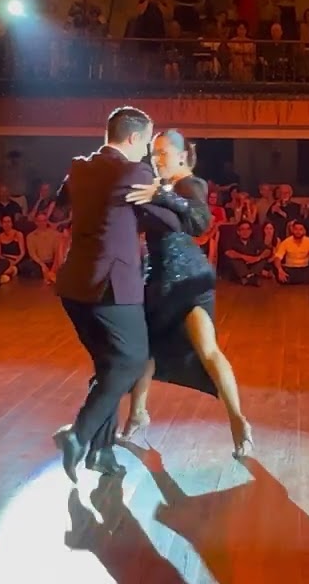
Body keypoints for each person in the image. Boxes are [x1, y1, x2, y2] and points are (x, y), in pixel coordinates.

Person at [50, 107, 177, 483]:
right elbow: (170, 221)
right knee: (131, 363)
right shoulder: (133, 171)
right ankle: (79, 435)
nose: (148, 155)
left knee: (109, 368)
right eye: (146, 145)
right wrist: (162, 193)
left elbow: (63, 203)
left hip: (75, 284)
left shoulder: (80, 166)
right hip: (111, 286)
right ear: (135, 138)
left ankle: (101, 453)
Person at [118, 130, 255, 457]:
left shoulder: (190, 184)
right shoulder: (160, 188)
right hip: (163, 281)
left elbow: (200, 220)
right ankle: (138, 415)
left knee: (206, 352)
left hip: (185, 281)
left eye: (163, 153)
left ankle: (238, 422)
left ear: (182, 156)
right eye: (155, 154)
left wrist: (159, 194)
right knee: (150, 352)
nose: (157, 159)